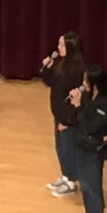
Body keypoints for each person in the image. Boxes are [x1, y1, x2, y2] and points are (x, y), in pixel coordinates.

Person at [68, 64, 107, 213]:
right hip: (81, 146)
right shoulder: (88, 96)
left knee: (93, 189)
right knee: (85, 187)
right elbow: (78, 121)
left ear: (94, 83)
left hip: (94, 151)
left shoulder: (104, 104)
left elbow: (90, 127)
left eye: (85, 81)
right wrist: (77, 105)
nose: (83, 83)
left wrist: (79, 107)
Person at [40, 32, 86, 196]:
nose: (58, 48)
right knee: (60, 147)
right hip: (59, 114)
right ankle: (66, 176)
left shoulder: (76, 70)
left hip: (68, 118)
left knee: (68, 149)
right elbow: (51, 82)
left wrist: (66, 121)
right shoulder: (61, 62)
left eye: (61, 45)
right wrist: (47, 68)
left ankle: (71, 182)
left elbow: (74, 99)